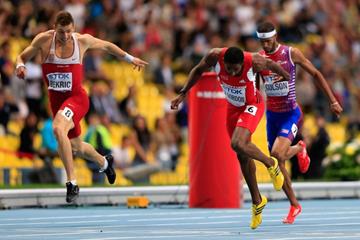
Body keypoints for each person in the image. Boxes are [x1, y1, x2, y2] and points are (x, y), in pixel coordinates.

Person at [15, 11, 148, 203]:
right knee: (75, 146)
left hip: (77, 99)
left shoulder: (81, 41)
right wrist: (20, 66)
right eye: (61, 32)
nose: (65, 36)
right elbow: (22, 56)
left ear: (74, 28)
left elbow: (107, 46)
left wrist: (130, 58)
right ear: (55, 29)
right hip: (57, 103)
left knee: (58, 128)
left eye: (69, 31)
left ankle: (72, 182)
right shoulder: (44, 40)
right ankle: (104, 161)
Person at [171, 46, 289, 229]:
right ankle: (257, 202)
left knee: (237, 143)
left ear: (243, 63)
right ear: (224, 62)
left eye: (236, 68)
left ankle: (271, 164)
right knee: (242, 155)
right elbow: (197, 70)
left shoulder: (254, 61)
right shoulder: (215, 56)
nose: (232, 72)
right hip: (233, 109)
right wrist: (183, 93)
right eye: (228, 68)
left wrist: (285, 76)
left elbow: (273, 65)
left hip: (253, 105)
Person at [256, 21, 343, 224]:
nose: (266, 46)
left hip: (291, 114)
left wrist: (333, 101)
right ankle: (294, 205)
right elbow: (257, 85)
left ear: (275, 37)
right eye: (262, 42)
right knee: (278, 163)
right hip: (272, 116)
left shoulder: (290, 53)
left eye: (268, 42)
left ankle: (297, 148)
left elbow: (316, 74)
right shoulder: (258, 59)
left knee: (277, 153)